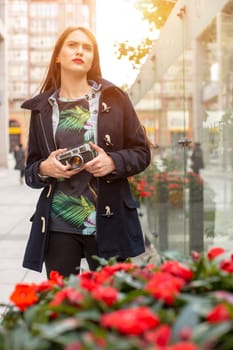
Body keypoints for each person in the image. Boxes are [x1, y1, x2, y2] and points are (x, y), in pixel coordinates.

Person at [21, 26, 151, 278]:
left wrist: (112, 162)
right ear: (58, 55)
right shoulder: (42, 109)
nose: (80, 50)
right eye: (72, 45)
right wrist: (45, 169)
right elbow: (31, 171)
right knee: (63, 305)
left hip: (109, 221)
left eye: (87, 47)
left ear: (93, 58)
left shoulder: (115, 99)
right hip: (58, 224)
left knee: (111, 307)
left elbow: (141, 152)